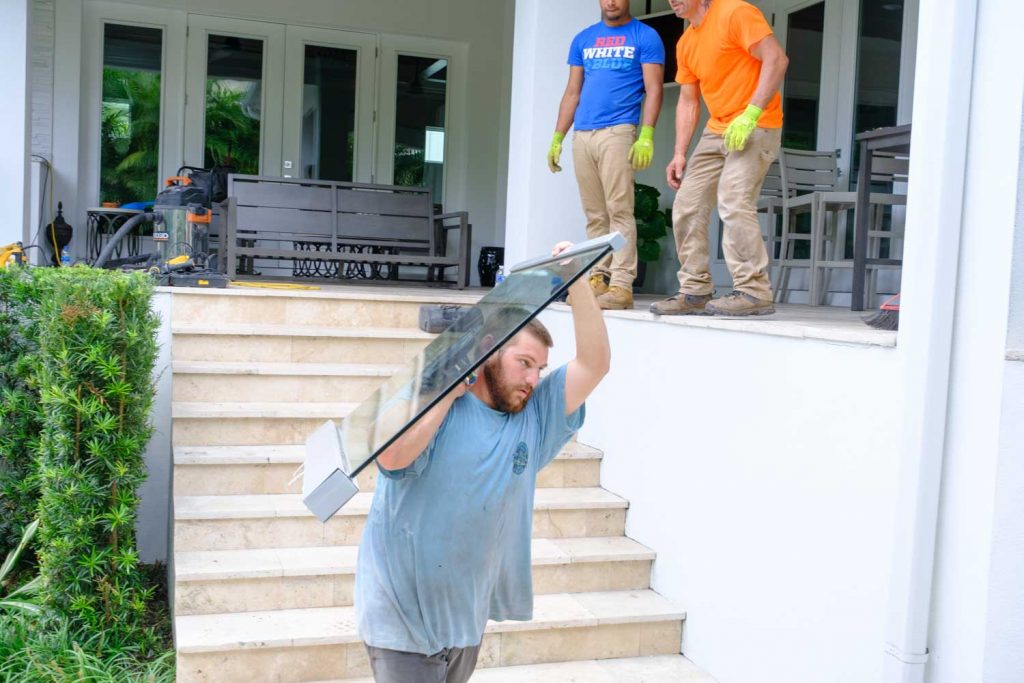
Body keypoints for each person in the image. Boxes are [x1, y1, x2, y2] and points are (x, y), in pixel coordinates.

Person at [355, 241, 611, 683]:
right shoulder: (429, 396)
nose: (533, 379)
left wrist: (579, 282)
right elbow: (392, 457)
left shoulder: (534, 417)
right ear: (489, 349)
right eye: (524, 363)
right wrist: (449, 388)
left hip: (465, 619)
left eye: (540, 368)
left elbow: (595, 363)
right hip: (401, 618)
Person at [650, 0, 789, 317]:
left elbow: (776, 59)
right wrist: (679, 153)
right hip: (717, 130)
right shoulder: (687, 42)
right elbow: (688, 101)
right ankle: (695, 290)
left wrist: (751, 113)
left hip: (758, 123)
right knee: (687, 203)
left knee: (733, 198)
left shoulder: (735, 12)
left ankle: (754, 290)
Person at [547, 0, 665, 311]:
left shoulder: (645, 36)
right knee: (595, 214)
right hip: (583, 133)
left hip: (619, 131)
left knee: (619, 210)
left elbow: (654, 89)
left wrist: (647, 134)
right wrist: (558, 136)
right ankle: (599, 275)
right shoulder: (583, 38)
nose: (611, 1)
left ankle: (622, 283)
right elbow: (573, 91)